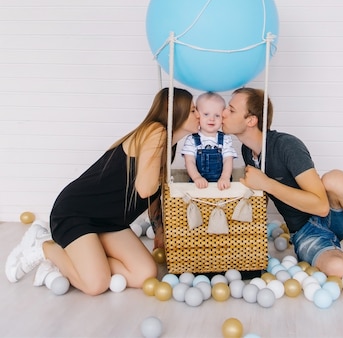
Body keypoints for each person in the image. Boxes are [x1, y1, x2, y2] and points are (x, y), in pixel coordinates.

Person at [5, 87, 199, 296]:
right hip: (76, 213)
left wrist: (159, 231)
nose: (200, 115)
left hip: (109, 222)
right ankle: (46, 247)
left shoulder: (169, 147)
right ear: (175, 112)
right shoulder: (156, 132)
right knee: (95, 285)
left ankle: (77, 262)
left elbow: (152, 197)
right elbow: (145, 189)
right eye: (194, 110)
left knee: (145, 273)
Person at [222, 86, 343, 288]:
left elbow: (322, 206)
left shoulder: (286, 146)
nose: (223, 113)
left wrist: (267, 184)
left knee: (334, 179)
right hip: (305, 232)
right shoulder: (248, 152)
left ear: (251, 120)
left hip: (331, 218)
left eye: (231, 109)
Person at [181, 91, 237, 190]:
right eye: (206, 114)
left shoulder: (225, 139)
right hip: (198, 184)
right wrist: (196, 177)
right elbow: (189, 161)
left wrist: (225, 177)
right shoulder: (192, 139)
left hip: (221, 184)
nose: (212, 119)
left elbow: (228, 160)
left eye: (217, 115)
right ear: (198, 115)